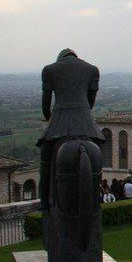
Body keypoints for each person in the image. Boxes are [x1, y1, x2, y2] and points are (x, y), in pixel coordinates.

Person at [36, 48, 103, 211]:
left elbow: (45, 105)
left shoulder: (49, 69)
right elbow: (90, 102)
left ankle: (44, 202)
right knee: (97, 154)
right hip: (85, 122)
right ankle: (97, 198)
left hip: (58, 121)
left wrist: (50, 117)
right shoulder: (92, 69)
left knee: (45, 162)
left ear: (60, 58)